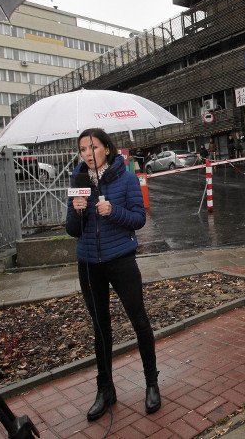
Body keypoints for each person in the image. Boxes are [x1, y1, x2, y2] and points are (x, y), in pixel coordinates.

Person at [66, 128, 161, 421]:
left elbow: (138, 218)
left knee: (139, 321)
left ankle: (151, 383)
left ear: (106, 148)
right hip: (89, 264)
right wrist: (77, 211)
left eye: (92, 147)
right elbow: (72, 230)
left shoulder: (126, 177)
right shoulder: (77, 181)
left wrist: (112, 210)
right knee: (100, 328)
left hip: (121, 260)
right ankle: (105, 390)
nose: (87, 154)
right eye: (82, 149)